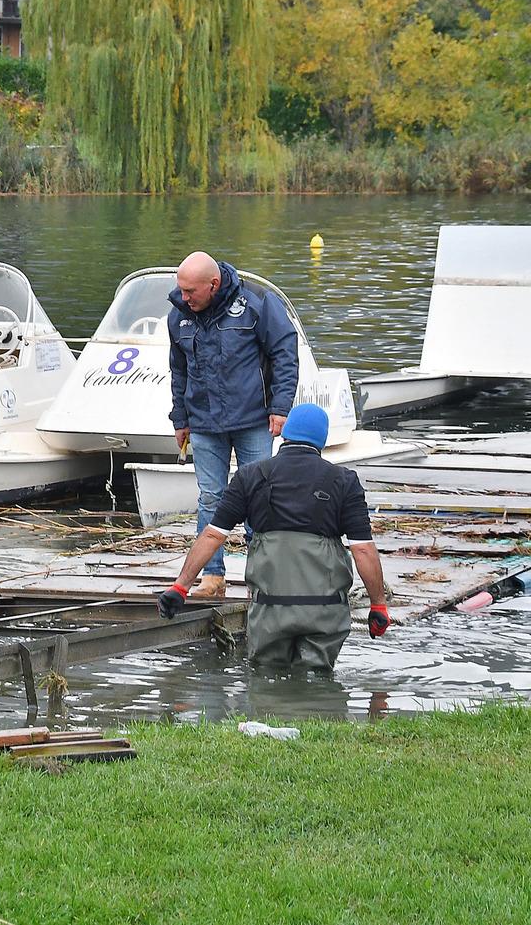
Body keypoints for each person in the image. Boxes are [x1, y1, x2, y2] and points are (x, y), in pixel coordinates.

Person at [158, 404, 391, 669]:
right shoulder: (345, 481)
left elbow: (212, 535)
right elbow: (363, 550)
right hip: (324, 610)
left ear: (286, 434)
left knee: (266, 680)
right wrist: (378, 605)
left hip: (270, 609)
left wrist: (180, 587)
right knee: (317, 681)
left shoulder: (250, 476)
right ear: (322, 440)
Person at [168, 250, 299, 599]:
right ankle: (212, 577)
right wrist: (180, 417)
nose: (184, 298)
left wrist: (281, 406)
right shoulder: (179, 315)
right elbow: (178, 371)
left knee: (258, 496)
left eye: (190, 292)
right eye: (180, 290)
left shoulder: (256, 302)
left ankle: (262, 575)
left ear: (213, 284)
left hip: (253, 418)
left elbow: (285, 353)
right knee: (211, 497)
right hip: (205, 422)